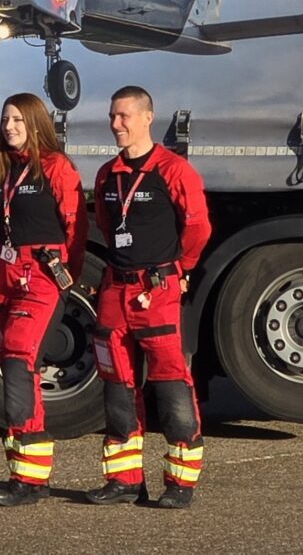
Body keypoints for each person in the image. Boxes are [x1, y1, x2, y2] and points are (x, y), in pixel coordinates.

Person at [87, 86, 211, 509]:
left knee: (171, 384)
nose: (115, 124)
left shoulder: (174, 170)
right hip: (114, 290)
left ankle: (179, 483)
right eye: (112, 116)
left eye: (123, 116)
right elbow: (107, 226)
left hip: (156, 291)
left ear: (147, 118)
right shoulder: (107, 174)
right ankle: (124, 481)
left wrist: (178, 269)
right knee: (116, 385)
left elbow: (197, 229)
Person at [0, 93, 88, 506]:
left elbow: (76, 228)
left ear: (36, 123)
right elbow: (1, 227)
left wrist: (66, 275)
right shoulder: (3, 169)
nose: (9, 127)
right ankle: (28, 474)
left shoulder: (56, 167)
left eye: (18, 120)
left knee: (18, 360)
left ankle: (27, 479)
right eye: (5, 120)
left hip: (41, 276)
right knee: (11, 365)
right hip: (5, 273)